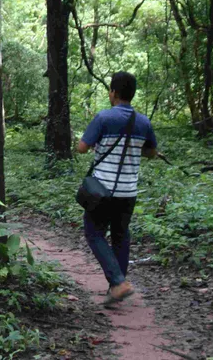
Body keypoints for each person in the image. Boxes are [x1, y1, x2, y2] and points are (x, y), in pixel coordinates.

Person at [76, 71, 159, 306]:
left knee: (94, 232)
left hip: (103, 191)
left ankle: (118, 282)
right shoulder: (143, 122)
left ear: (113, 92)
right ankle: (116, 286)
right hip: (128, 192)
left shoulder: (103, 118)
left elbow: (82, 148)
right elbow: (151, 153)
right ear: (132, 94)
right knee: (121, 236)